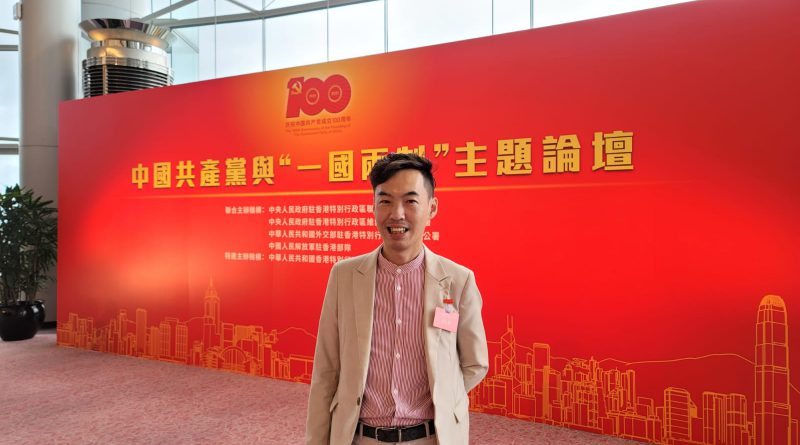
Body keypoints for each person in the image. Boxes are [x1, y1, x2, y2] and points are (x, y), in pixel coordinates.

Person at [306, 153, 489, 445]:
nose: (397, 214)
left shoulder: (457, 281)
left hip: (429, 438)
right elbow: (326, 372)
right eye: (386, 201)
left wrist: (443, 396)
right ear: (373, 206)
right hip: (360, 437)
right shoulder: (344, 276)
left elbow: (475, 363)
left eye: (410, 201)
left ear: (432, 208)